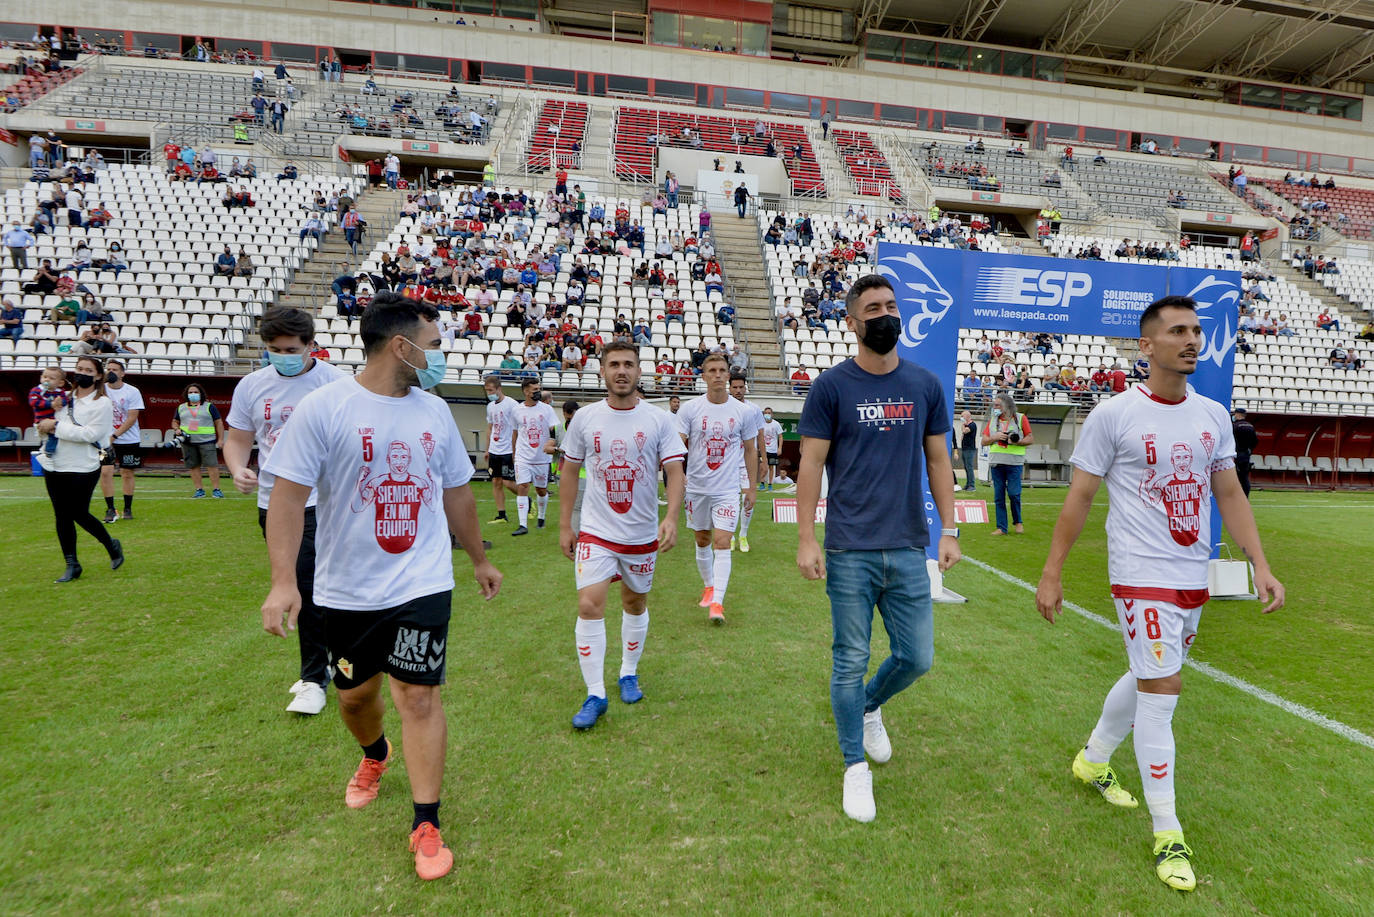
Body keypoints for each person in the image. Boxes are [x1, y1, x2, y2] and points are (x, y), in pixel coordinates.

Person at [1035, 295, 1285, 893]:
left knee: (1153, 674)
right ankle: (1168, 833)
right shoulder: (1114, 414)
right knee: (1163, 689)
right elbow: (1081, 498)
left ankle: (1093, 758)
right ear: (1147, 346)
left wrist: (1261, 564)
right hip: (1139, 572)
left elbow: (1228, 494)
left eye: (1196, 330)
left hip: (1191, 573)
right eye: (1178, 331)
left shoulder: (1213, 415)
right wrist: (1052, 572)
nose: (1191, 339)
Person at [259, 291, 501, 880]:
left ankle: (426, 821)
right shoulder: (325, 409)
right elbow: (288, 496)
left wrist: (477, 559)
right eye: (434, 346)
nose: (440, 357)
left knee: (418, 697)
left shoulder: (434, 412)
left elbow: (457, 493)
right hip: (347, 591)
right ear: (402, 346)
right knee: (355, 699)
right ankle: (374, 755)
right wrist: (283, 582)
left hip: (422, 581)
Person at [796, 273, 960, 823]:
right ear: (852, 321)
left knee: (917, 657)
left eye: (891, 305)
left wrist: (950, 529)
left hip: (909, 546)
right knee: (849, 661)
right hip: (849, 550)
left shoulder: (924, 384)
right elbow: (812, 464)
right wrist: (805, 537)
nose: (885, 315)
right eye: (873, 308)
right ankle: (853, 768)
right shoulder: (830, 387)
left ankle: (868, 708)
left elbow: (938, 459)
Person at [225, 308, 349, 716]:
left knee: (309, 586)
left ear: (312, 346)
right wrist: (237, 466)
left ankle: (315, 678)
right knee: (305, 583)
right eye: (274, 349)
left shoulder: (335, 383)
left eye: (291, 349)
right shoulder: (252, 386)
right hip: (273, 502)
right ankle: (328, 665)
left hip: (323, 501)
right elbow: (239, 437)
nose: (283, 356)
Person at [558, 341, 686, 730]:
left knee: (634, 603)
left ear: (638, 371)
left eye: (629, 364)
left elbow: (676, 472)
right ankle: (595, 693)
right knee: (589, 605)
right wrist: (566, 524)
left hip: (641, 532)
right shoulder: (584, 419)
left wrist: (672, 517)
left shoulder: (659, 420)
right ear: (602, 371)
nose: (621, 371)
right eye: (613, 364)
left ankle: (628, 672)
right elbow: (568, 471)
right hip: (596, 532)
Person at [677, 354, 759, 625]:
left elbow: (750, 450)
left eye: (722, 370)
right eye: (711, 370)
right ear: (703, 375)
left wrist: (751, 487)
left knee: (722, 542)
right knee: (702, 540)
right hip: (697, 488)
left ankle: (718, 602)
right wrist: (679, 477)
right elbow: (678, 446)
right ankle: (709, 585)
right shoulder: (690, 409)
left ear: (728, 375)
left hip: (727, 489)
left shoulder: (743, 412)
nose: (717, 375)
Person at [35, 355, 124, 582]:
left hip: (83, 465)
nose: (81, 373)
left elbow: (90, 434)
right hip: (55, 463)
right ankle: (71, 563)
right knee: (61, 515)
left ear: (97, 376)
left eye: (87, 370)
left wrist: (56, 426)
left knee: (78, 512)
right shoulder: (62, 397)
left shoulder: (102, 403)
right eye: (78, 368)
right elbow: (43, 420)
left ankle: (111, 544)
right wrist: (44, 427)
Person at [511, 377, 558, 535]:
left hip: (541, 458)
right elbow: (515, 433)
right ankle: (522, 525)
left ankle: (541, 518)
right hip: (523, 457)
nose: (538, 392)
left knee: (541, 490)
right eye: (535, 390)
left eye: (539, 389)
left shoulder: (547, 409)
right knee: (523, 487)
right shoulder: (517, 410)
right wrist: (513, 453)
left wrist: (551, 443)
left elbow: (554, 430)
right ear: (525, 391)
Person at [100, 359, 144, 523]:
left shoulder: (132, 391)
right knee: (105, 473)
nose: (111, 372)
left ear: (122, 373)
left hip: (128, 439)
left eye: (115, 369)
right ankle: (111, 508)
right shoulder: (100, 390)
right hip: (105, 440)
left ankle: (128, 508)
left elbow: (132, 418)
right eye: (108, 369)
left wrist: (114, 436)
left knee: (127, 473)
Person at [983, 392, 1033, 535]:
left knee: (1014, 493)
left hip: (1014, 462)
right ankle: (1001, 527)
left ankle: (1018, 522)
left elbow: (1030, 438)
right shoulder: (993, 420)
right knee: (998, 496)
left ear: (1007, 405)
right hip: (996, 462)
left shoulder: (1021, 418)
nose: (995, 407)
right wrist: (995, 437)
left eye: (998, 405)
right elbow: (984, 440)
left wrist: (1017, 442)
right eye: (995, 405)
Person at [728, 374, 766, 552]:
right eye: (734, 387)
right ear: (730, 388)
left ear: (745, 388)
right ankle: (730, 536)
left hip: (746, 463)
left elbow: (760, 435)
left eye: (741, 387)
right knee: (729, 501)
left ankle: (743, 534)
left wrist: (764, 460)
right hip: (727, 463)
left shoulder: (753, 409)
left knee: (748, 499)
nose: (738, 391)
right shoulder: (724, 408)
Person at [176, 382, 226, 499]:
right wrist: (176, 429)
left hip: (207, 441)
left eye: (195, 392)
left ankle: (216, 490)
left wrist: (221, 439)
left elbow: (219, 423)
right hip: (188, 442)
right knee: (193, 466)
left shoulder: (209, 406)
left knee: (212, 465)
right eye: (190, 392)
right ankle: (199, 490)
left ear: (201, 394)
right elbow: (175, 421)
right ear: (186, 394)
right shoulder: (181, 407)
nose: (193, 394)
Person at [482, 374, 520, 524]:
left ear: (499, 389)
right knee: (496, 482)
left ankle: (526, 499)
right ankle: (501, 515)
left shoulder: (512, 404)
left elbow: (518, 428)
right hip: (494, 450)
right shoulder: (490, 406)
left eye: (491, 390)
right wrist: (487, 449)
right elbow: (490, 427)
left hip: (507, 450)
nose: (489, 393)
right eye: (487, 391)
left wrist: (516, 450)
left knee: (508, 482)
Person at [30, 366, 68, 458]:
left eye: (51, 378)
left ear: (60, 383)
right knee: (50, 437)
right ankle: (48, 455)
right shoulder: (37, 390)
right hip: (41, 421)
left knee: (54, 438)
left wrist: (60, 403)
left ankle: (47, 454)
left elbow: (65, 400)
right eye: (44, 376)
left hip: (54, 421)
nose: (47, 379)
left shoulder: (60, 392)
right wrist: (51, 404)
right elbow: (33, 402)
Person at [1232, 407, 1258, 498]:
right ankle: (1245, 496)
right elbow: (1255, 442)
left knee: (1234, 477)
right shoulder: (1250, 426)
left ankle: (1235, 496)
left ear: (1238, 414)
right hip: (1246, 455)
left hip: (1236, 455)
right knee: (1245, 478)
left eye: (1235, 414)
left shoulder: (1234, 426)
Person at [760, 406, 783, 491]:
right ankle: (762, 482)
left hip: (773, 450)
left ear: (772, 414)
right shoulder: (761, 424)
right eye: (765, 413)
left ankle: (770, 484)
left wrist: (779, 448)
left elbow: (780, 436)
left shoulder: (776, 424)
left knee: (771, 467)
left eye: (769, 413)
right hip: (764, 449)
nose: (767, 415)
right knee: (763, 466)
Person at [956, 409, 978, 491]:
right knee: (966, 467)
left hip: (970, 449)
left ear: (967, 416)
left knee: (969, 467)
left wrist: (963, 425)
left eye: (962, 416)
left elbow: (965, 431)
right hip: (965, 449)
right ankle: (968, 484)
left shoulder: (972, 425)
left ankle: (972, 485)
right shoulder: (966, 425)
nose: (961, 417)